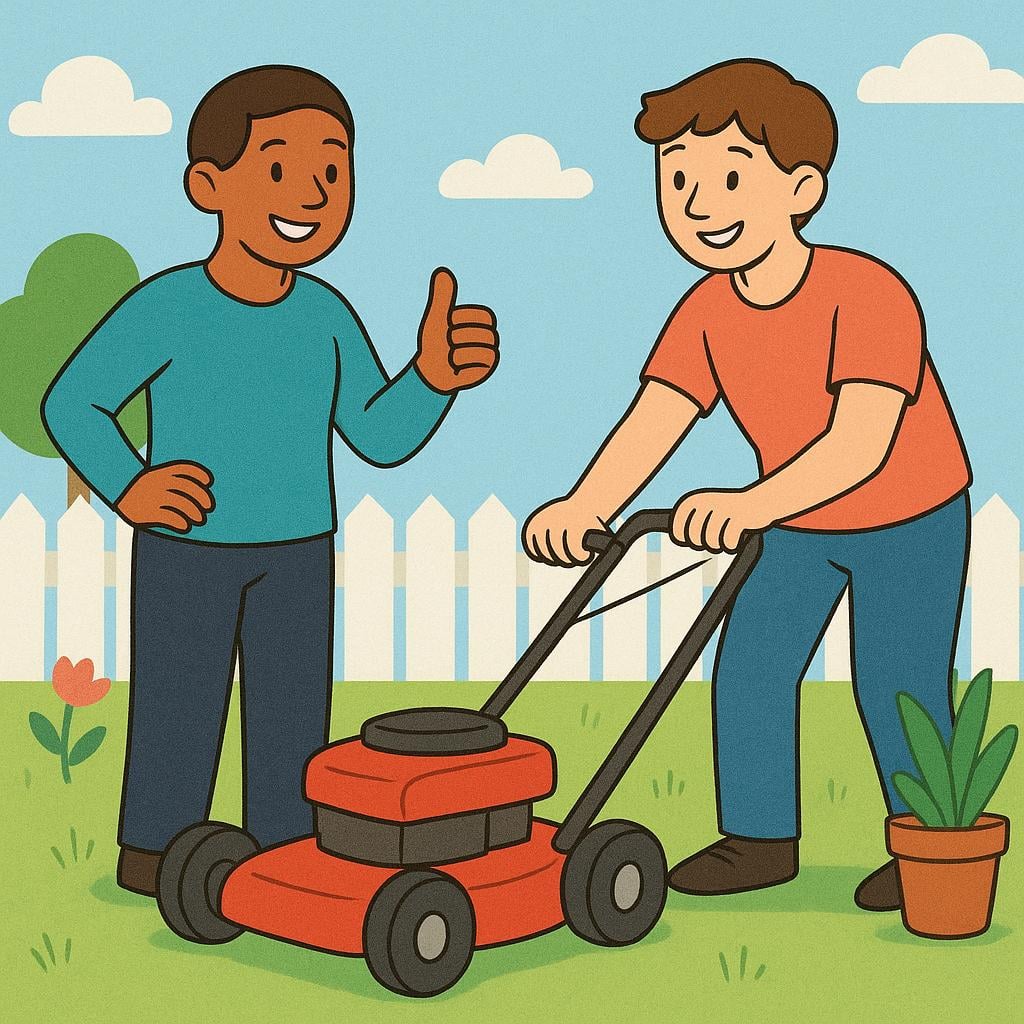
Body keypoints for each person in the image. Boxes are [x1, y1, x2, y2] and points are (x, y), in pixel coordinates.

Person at [524, 59, 970, 912]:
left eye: (729, 177)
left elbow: (859, 446)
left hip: (906, 517)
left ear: (801, 188)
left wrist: (747, 505)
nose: (698, 202)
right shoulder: (706, 311)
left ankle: (931, 847)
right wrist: (587, 505)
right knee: (753, 670)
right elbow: (656, 418)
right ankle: (758, 841)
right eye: (677, 178)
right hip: (794, 525)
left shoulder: (868, 293)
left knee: (898, 683)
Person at [42, 65, 499, 895]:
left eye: (334, 169)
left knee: (294, 722)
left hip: (299, 551)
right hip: (189, 550)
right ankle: (155, 853)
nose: (313, 193)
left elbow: (377, 434)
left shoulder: (324, 314)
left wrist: (433, 379)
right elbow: (73, 401)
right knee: (180, 707)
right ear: (209, 186)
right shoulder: (171, 305)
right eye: (281, 169)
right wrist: (130, 485)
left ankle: (287, 856)